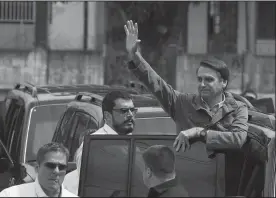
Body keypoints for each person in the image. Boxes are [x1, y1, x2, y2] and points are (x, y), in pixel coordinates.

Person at [124, 20, 249, 196]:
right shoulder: (183, 103)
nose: (202, 84)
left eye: (209, 80)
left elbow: (238, 138)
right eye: (200, 79)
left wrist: (199, 132)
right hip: (188, 186)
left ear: (224, 83)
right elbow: (155, 83)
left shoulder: (238, 108)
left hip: (223, 187)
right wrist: (134, 55)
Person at [63, 90, 138, 195]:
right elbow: (92, 185)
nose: (130, 115)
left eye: (132, 110)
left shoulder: (138, 143)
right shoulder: (93, 144)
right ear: (107, 116)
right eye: (124, 111)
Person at [0, 142, 77, 197]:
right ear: (37, 168)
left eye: (62, 167)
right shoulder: (10, 195)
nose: (56, 171)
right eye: (50, 165)